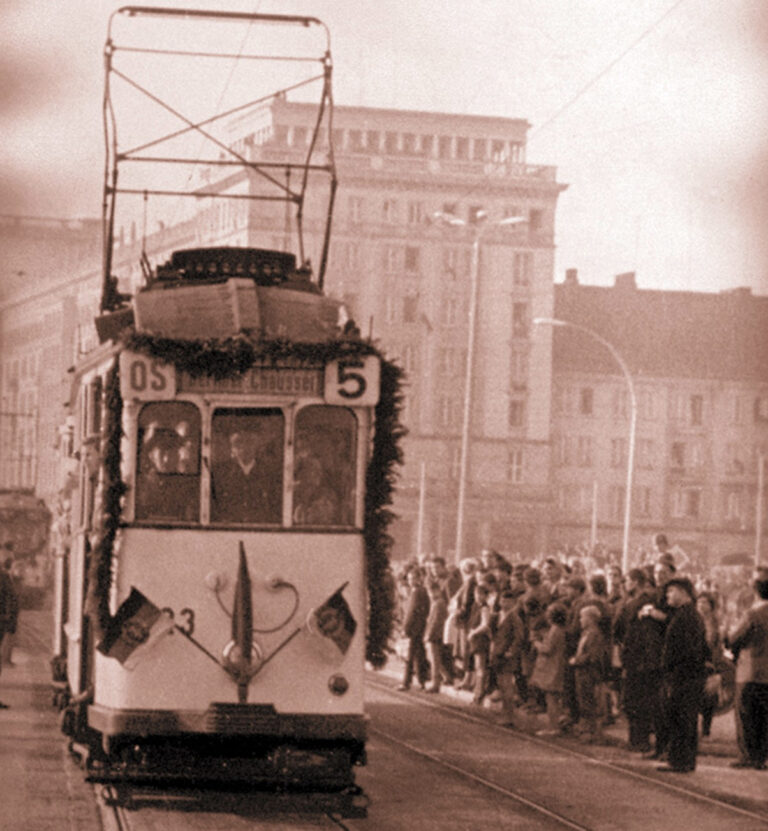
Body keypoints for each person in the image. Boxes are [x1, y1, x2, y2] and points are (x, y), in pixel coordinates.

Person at [657, 577, 708, 773]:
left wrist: (671, 670)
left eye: (671, 591)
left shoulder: (687, 616)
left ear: (683, 592)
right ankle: (681, 760)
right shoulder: (687, 614)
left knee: (681, 717)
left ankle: (681, 761)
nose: (668, 595)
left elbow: (687, 649)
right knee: (682, 717)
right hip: (685, 674)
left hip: (683, 675)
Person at [726, 567, 768, 770]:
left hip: (750, 671)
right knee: (764, 718)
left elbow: (734, 638)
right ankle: (762, 757)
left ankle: (749, 756)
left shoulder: (753, 613)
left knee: (746, 716)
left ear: (756, 590)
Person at [211, 424, 281, 523]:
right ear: (232, 447)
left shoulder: (269, 474)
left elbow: (275, 508)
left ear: (257, 446)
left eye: (249, 442)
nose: (244, 448)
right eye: (238, 443)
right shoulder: (220, 473)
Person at [136, 427, 198, 521]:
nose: (166, 459)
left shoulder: (186, 484)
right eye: (162, 453)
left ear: (178, 455)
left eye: (171, 453)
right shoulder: (143, 484)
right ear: (152, 456)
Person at [491, 588, 525, 725]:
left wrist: (511, 651)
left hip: (507, 656)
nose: (504, 603)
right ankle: (505, 714)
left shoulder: (514, 617)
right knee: (502, 684)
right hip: (497, 653)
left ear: (513, 603)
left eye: (507, 601)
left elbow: (519, 637)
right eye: (502, 600)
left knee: (507, 686)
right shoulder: (497, 616)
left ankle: (509, 716)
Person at [398, 569, 430, 691]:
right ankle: (422, 681)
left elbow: (411, 612)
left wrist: (405, 628)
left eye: (414, 579)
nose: (411, 581)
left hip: (414, 628)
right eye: (410, 579)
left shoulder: (416, 592)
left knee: (409, 656)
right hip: (420, 627)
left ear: (419, 579)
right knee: (419, 655)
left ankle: (406, 682)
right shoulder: (422, 591)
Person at [0, 555, 19, 709]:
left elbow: (12, 600)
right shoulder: (4, 577)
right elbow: (13, 599)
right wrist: (10, 621)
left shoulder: (3, 577)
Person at [424, 581, 450, 693]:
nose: (431, 593)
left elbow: (436, 621)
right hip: (433, 634)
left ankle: (436, 683)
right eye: (430, 591)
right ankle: (446, 677)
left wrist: (429, 635)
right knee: (433, 658)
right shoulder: (436, 602)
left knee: (434, 659)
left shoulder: (439, 603)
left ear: (438, 590)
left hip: (435, 635)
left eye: (433, 591)